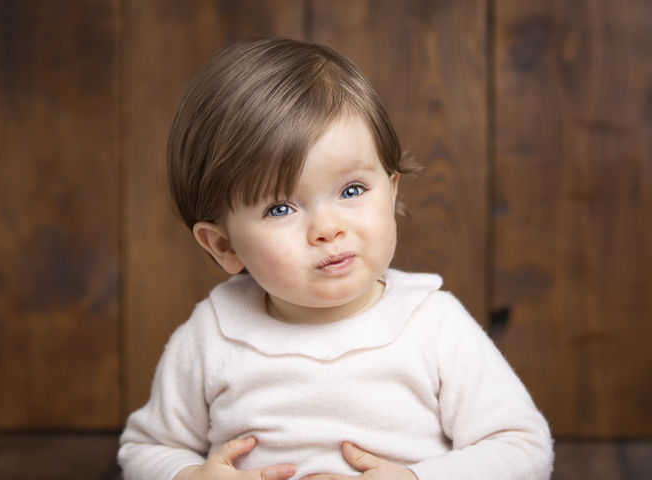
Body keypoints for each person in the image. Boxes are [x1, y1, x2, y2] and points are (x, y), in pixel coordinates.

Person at [118, 37, 554, 480]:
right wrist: (188, 476)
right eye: (280, 208)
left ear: (392, 190)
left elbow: (523, 446)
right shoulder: (214, 333)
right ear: (224, 246)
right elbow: (148, 447)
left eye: (351, 191)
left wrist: (417, 478)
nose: (327, 229)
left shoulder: (432, 324)